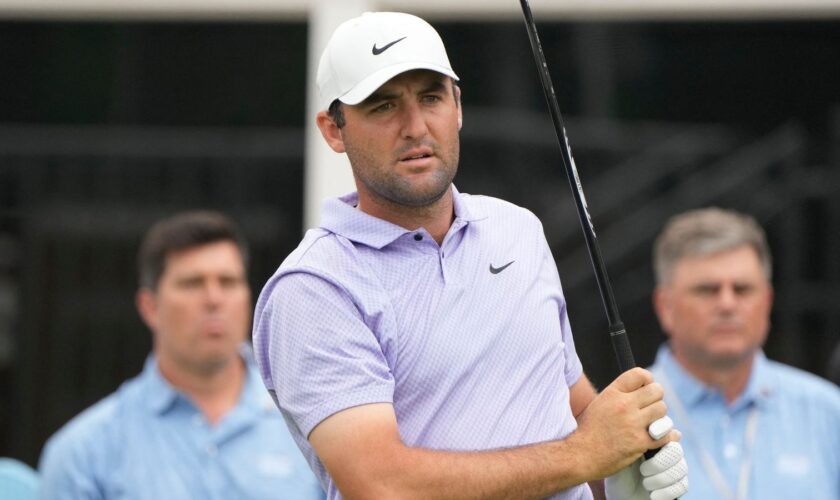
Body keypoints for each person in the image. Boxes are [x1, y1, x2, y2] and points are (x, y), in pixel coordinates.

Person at [253, 11, 688, 500]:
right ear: (334, 130)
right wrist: (586, 454)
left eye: (431, 97)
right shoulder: (313, 288)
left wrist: (625, 462)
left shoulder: (517, 230)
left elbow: (573, 411)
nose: (415, 126)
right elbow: (383, 484)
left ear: (457, 106)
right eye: (382, 106)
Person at [38, 211, 322, 500]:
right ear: (149, 307)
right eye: (193, 283)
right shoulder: (84, 453)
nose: (214, 299)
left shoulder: (313, 428)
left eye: (228, 282)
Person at [649, 207, 840, 499]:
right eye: (707, 290)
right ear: (665, 307)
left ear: (767, 301)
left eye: (742, 289)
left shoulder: (828, 413)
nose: (727, 304)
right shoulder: (626, 416)